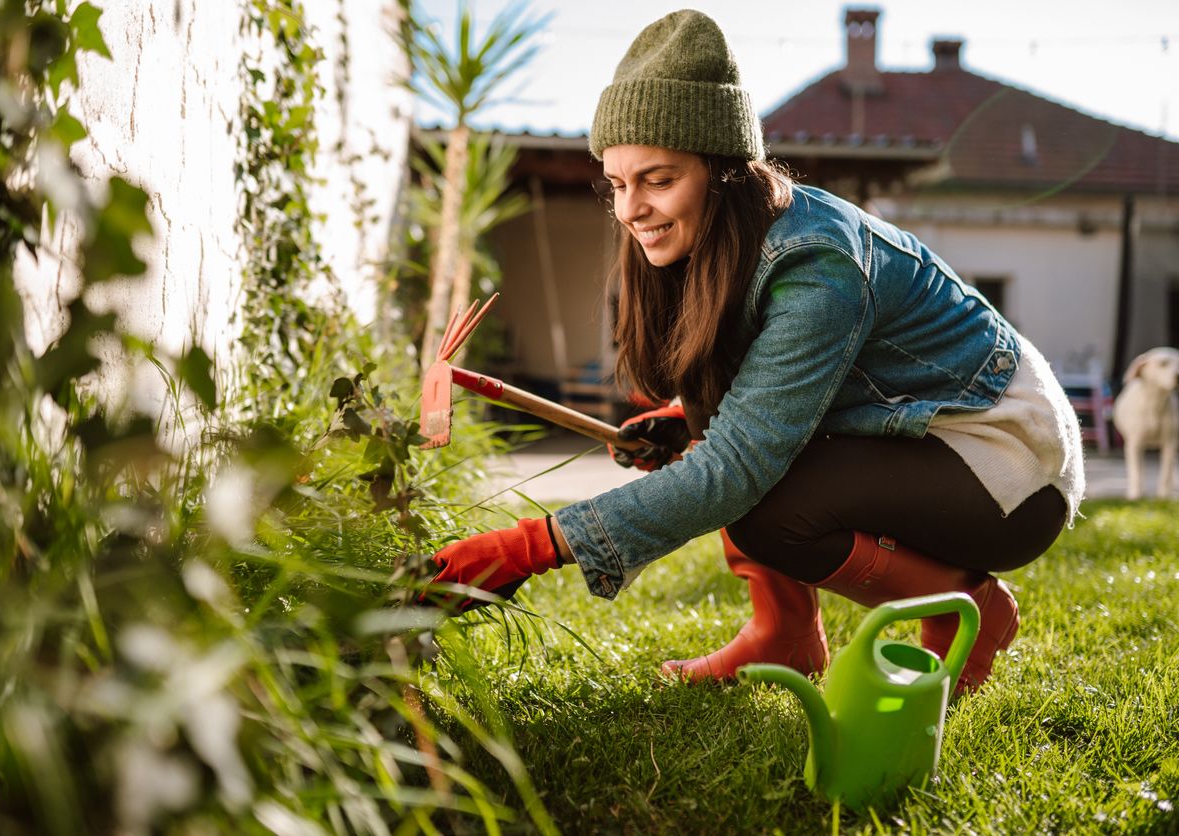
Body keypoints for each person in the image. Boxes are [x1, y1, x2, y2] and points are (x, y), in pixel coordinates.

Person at [426, 9, 1084, 695]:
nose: (629, 210)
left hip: (1005, 463)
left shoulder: (817, 264)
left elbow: (736, 468)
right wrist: (683, 419)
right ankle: (785, 636)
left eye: (657, 180)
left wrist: (525, 548)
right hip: (919, 434)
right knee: (714, 418)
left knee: (764, 506)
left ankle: (962, 607)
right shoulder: (721, 243)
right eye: (617, 184)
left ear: (723, 170)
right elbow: (755, 405)